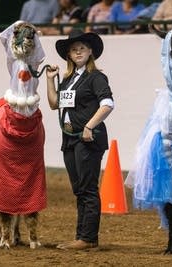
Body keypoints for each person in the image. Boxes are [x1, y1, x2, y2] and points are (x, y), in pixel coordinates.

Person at [45, 29, 114, 250]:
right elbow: (55, 104)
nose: (77, 52)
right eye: (73, 50)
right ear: (69, 55)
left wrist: (88, 126)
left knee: (88, 188)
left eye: (82, 48)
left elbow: (108, 104)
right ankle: (81, 236)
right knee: (79, 189)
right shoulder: (67, 80)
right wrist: (50, 80)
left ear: (90, 51)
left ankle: (88, 238)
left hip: (88, 139)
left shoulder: (96, 77)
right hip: (70, 140)